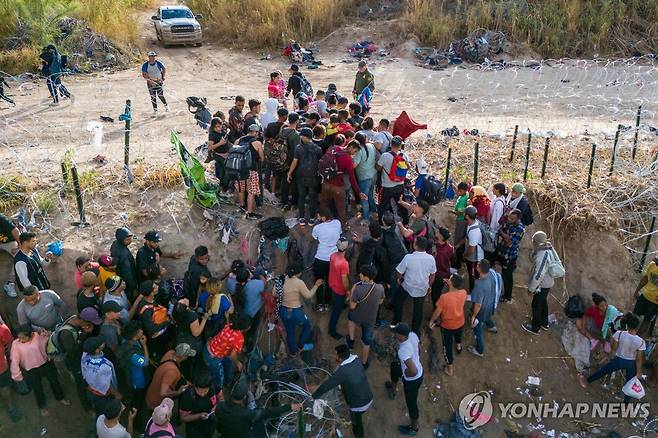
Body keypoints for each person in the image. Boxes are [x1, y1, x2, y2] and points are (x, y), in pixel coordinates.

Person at [312, 344, 373, 438]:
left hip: (359, 405)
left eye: (336, 354)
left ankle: (359, 435)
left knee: (357, 423)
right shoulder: (356, 360)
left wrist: (314, 395)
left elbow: (327, 385)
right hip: (368, 396)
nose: (334, 355)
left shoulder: (343, 371)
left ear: (340, 358)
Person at [10, 324, 70, 416]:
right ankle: (42, 406)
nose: (20, 340)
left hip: (45, 364)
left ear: (30, 335)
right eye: (19, 338)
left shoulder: (38, 337)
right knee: (37, 388)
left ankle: (60, 397)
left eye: (23, 338)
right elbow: (14, 360)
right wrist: (17, 375)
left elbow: (46, 345)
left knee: (54, 381)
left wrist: (49, 355)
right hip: (31, 370)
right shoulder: (16, 344)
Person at [583, 312, 645, 401]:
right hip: (631, 363)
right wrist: (638, 372)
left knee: (604, 370)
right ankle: (625, 405)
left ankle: (589, 380)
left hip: (619, 360)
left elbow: (614, 349)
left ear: (627, 325)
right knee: (629, 383)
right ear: (637, 327)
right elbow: (639, 359)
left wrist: (611, 350)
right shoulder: (641, 341)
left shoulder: (619, 334)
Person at [215, 379, 301, 437]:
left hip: (225, 434)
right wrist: (289, 407)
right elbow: (267, 412)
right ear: (244, 397)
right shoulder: (246, 414)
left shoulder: (220, 407)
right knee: (260, 427)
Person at [393, 236, 436, 336]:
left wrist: (399, 279)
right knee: (418, 309)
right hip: (422, 288)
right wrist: (429, 286)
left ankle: (397, 323)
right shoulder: (431, 259)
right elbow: (432, 275)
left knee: (398, 302)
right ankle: (415, 331)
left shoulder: (408, 257)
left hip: (407, 286)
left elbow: (399, 272)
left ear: (415, 245)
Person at [385, 323, 423, 436]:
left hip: (412, 379)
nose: (394, 334)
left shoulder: (403, 351)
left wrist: (405, 374)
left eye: (396, 333)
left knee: (411, 403)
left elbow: (413, 371)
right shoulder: (413, 335)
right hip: (414, 369)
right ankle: (393, 388)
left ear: (402, 336)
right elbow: (419, 350)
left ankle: (413, 428)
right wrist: (415, 358)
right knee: (394, 367)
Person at [319, 138, 366, 227]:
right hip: (338, 187)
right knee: (341, 208)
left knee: (324, 204)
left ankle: (323, 223)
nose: (354, 154)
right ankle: (342, 227)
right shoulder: (348, 159)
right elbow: (352, 178)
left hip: (325, 183)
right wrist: (359, 192)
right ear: (351, 147)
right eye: (355, 151)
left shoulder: (333, 148)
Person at [429, 273, 467, 376]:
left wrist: (432, 321)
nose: (448, 279)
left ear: (451, 283)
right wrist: (450, 283)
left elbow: (437, 312)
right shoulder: (463, 293)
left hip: (448, 326)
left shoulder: (444, 297)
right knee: (458, 335)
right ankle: (458, 346)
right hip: (460, 321)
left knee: (447, 346)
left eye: (450, 278)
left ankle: (450, 368)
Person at [280, 264, 323, 355]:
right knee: (307, 325)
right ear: (298, 273)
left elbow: (274, 293)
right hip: (295, 312)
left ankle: (293, 353)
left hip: (283, 310)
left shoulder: (281, 279)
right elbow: (308, 295)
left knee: (290, 332)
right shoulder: (299, 282)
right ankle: (301, 346)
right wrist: (316, 285)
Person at [347, 264, 384, 366]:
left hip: (357, 315)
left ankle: (351, 340)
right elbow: (380, 302)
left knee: (350, 318)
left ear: (366, 277)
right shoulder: (380, 288)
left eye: (362, 274)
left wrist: (352, 293)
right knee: (366, 342)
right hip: (370, 320)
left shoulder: (358, 289)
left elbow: (352, 306)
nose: (360, 275)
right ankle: (364, 363)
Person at [522, 231, 556, 335]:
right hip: (548, 282)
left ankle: (535, 327)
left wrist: (531, 288)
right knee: (542, 302)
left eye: (534, 241)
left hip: (542, 284)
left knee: (536, 304)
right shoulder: (548, 248)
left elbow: (538, 275)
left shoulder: (542, 255)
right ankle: (544, 323)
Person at [287, 127, 322, 226]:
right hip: (314, 177)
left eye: (301, 136)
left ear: (304, 137)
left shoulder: (299, 148)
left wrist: (289, 173)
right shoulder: (318, 149)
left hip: (301, 176)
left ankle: (301, 218)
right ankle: (311, 219)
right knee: (312, 198)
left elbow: (295, 161)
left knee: (301, 197)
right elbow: (320, 164)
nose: (300, 137)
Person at [204, 315, 250, 390]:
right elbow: (232, 355)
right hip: (212, 358)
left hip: (209, 348)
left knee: (228, 363)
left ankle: (228, 380)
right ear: (246, 328)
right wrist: (237, 363)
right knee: (219, 378)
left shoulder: (230, 325)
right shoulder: (239, 338)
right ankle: (219, 391)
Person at [145, 343, 196, 410]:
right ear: (183, 357)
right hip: (157, 404)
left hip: (150, 393)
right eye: (187, 356)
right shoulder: (172, 371)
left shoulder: (170, 353)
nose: (187, 357)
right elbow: (163, 392)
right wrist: (178, 392)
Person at [81, 336, 121, 417]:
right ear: (97, 350)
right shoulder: (105, 365)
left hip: (91, 390)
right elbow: (107, 384)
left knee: (98, 410)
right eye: (100, 344)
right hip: (102, 396)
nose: (103, 343)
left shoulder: (84, 357)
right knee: (104, 414)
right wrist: (117, 394)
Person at [312, 208, 342, 312]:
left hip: (320, 257)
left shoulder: (317, 228)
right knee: (330, 281)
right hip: (333, 258)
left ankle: (320, 303)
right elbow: (339, 234)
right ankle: (329, 302)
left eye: (319, 216)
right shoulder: (337, 223)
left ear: (323, 217)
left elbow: (315, 238)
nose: (318, 218)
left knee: (319, 281)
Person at [116, 321, 150, 410]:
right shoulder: (133, 355)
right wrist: (144, 345)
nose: (142, 331)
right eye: (140, 331)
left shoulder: (126, 341)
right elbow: (145, 362)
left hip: (131, 373)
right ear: (135, 336)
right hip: (138, 379)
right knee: (138, 397)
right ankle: (135, 409)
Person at [467, 260, 498, 357]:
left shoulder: (479, 284)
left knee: (477, 327)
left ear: (479, 269)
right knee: (487, 316)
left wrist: (473, 316)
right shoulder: (492, 275)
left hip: (481, 309)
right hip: (490, 303)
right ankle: (491, 327)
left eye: (478, 265)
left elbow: (478, 305)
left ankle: (479, 350)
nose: (477, 265)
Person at [377, 136, 410, 224]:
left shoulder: (385, 156)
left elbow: (378, 168)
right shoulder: (404, 155)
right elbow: (408, 167)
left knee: (382, 206)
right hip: (400, 185)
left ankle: (381, 223)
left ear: (391, 145)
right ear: (400, 146)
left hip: (387, 187)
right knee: (401, 204)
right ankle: (406, 221)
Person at [235, 124, 265, 220]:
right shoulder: (257, 143)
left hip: (238, 170)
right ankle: (250, 213)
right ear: (255, 132)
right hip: (251, 171)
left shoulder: (238, 141)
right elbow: (262, 158)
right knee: (251, 192)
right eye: (257, 133)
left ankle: (241, 207)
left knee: (241, 189)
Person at [137, 281, 173, 359]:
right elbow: (151, 329)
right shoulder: (146, 311)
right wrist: (167, 322)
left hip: (161, 331)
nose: (157, 286)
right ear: (151, 293)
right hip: (155, 338)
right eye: (155, 287)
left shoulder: (152, 300)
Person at [497, 209, 525, 303]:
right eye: (509, 217)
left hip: (509, 256)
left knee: (507, 277)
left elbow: (509, 242)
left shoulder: (520, 229)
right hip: (503, 252)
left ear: (518, 219)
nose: (509, 219)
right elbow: (505, 236)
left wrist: (502, 233)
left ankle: (507, 296)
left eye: (512, 218)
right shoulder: (509, 223)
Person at [349, 134, 377, 222]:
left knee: (364, 198)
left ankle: (366, 217)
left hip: (364, 177)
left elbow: (353, 165)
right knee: (370, 195)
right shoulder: (371, 146)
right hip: (373, 174)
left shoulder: (359, 151)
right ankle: (374, 211)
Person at [179, 371, 217, 437]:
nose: (202, 394)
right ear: (195, 386)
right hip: (194, 429)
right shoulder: (188, 396)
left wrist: (216, 407)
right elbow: (183, 417)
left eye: (205, 391)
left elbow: (221, 398)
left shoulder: (213, 388)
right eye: (199, 390)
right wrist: (199, 415)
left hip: (210, 425)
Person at [328, 238, 351, 340]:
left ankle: (340, 305)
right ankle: (331, 331)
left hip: (332, 283)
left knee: (337, 302)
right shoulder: (344, 263)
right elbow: (344, 280)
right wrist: (348, 291)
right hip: (340, 288)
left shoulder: (333, 256)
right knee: (336, 312)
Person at [0, 319, 21, 422]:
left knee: (5, 388)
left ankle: (10, 407)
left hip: (1, 367)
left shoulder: (2, 329)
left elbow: (10, 345)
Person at [633, 255, 658, 337]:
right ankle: (630, 333)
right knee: (635, 316)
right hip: (645, 296)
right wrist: (637, 291)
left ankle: (638, 338)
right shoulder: (652, 265)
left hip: (655, 303)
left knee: (647, 321)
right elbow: (645, 278)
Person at [110, 227, 138, 300]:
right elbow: (127, 273)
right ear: (121, 239)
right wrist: (134, 287)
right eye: (127, 240)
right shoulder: (124, 254)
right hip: (127, 283)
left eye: (130, 238)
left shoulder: (115, 243)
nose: (130, 241)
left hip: (119, 277)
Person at [431, 227, 454, 304]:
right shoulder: (451, 248)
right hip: (444, 274)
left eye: (438, 232)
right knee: (437, 292)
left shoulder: (434, 247)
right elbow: (453, 261)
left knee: (435, 295)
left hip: (436, 275)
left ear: (440, 236)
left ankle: (437, 310)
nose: (436, 232)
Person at [208, 116, 231, 190]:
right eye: (216, 127)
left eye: (219, 126)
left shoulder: (222, 130)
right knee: (223, 173)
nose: (218, 128)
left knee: (226, 172)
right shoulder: (212, 134)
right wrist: (220, 143)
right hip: (219, 155)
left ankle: (225, 188)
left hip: (226, 154)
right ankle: (223, 188)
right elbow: (210, 147)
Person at [464, 206, 484, 291]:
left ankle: (474, 292)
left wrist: (464, 256)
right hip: (474, 255)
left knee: (473, 275)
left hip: (474, 258)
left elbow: (471, 250)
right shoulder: (473, 223)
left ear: (467, 216)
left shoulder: (474, 231)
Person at [452, 182, 470, 266]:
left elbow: (460, 213)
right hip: (460, 220)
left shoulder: (464, 199)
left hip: (461, 221)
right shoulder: (463, 196)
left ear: (464, 191)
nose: (458, 192)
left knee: (458, 240)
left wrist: (452, 211)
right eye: (458, 190)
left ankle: (457, 261)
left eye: (460, 191)